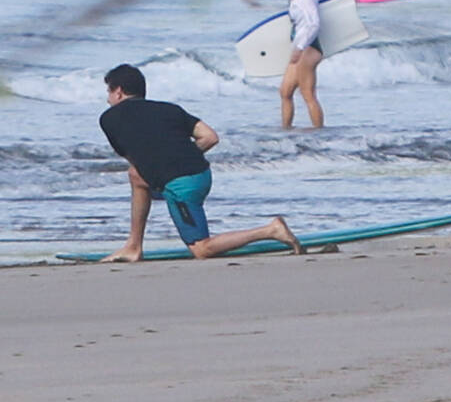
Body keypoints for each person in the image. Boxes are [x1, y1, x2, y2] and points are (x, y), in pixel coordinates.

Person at [98, 63, 304, 262]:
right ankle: (134, 246)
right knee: (136, 175)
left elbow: (135, 156)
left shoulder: (109, 119)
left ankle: (271, 230)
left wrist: (171, 161)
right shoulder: (170, 109)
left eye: (109, 92)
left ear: (118, 91)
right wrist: (181, 154)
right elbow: (210, 137)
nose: (108, 100)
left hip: (181, 186)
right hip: (201, 174)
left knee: (201, 249)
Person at [274, 0, 325, 129]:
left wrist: (301, 48)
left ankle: (319, 133)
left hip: (309, 48)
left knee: (308, 93)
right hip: (300, 47)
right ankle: (286, 131)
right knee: (285, 91)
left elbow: (314, 24)